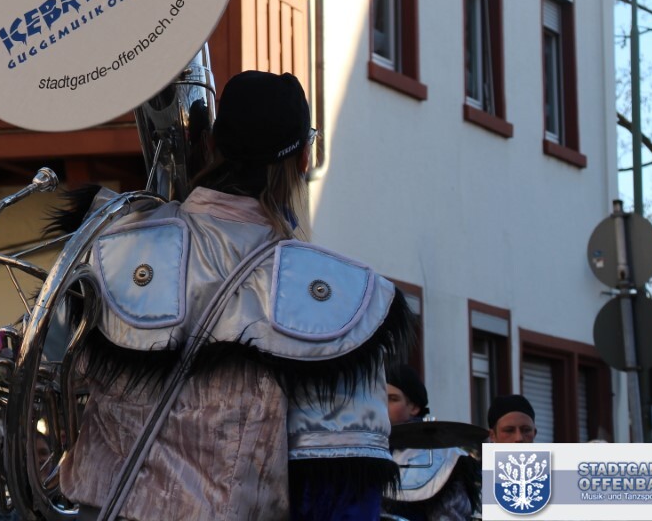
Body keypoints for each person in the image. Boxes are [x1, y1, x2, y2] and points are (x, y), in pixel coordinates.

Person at [57, 70, 415, 521]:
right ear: (303, 159)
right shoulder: (341, 301)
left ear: (211, 145)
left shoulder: (109, 247)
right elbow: (338, 498)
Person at [382, 364, 480, 521]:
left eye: (392, 399)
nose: (382, 405)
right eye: (378, 398)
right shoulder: (358, 449)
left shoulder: (446, 457)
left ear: (414, 407)